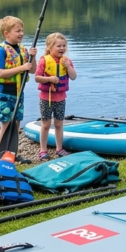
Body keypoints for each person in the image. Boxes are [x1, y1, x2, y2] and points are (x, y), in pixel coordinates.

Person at [0, 16, 37, 151]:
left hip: (18, 92)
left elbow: (33, 70)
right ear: (7, 33)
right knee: (6, 125)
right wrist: (22, 68)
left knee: (17, 124)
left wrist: (33, 57)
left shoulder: (23, 50)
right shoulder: (1, 50)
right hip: (4, 93)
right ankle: (1, 154)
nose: (21, 33)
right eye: (18, 31)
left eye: (22, 30)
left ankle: (12, 154)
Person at [33, 33, 77, 161]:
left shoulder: (67, 61)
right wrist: (49, 79)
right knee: (45, 124)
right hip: (46, 98)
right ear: (50, 47)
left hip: (61, 98)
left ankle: (59, 148)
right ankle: (43, 150)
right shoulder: (44, 60)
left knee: (59, 124)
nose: (62, 48)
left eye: (64, 46)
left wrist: (68, 67)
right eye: (59, 46)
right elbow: (36, 78)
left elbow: (73, 77)